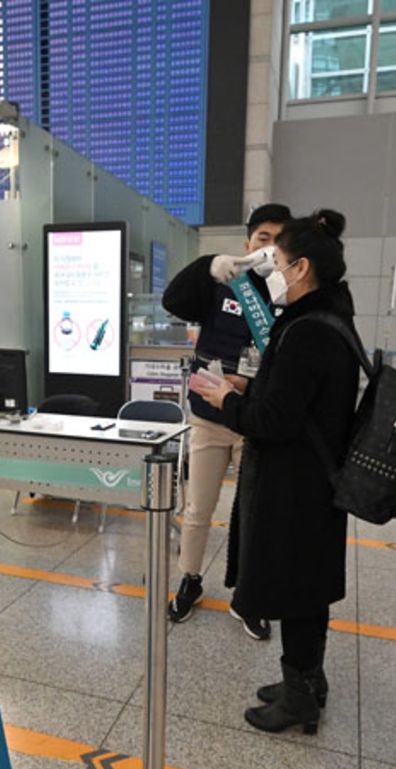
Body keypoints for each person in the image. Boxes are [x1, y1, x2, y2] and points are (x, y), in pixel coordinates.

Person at [191, 209, 359, 735]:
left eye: (279, 263)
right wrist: (251, 388)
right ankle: (306, 681)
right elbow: (299, 402)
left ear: (302, 267)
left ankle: (300, 698)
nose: (272, 273)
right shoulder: (331, 318)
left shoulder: (307, 331)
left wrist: (225, 397)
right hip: (313, 481)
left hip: (294, 488)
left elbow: (273, 422)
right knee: (306, 590)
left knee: (294, 590)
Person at [161, 203, 292, 639]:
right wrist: (208, 266)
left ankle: (247, 597)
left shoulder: (288, 295)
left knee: (254, 514)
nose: (269, 248)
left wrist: (251, 387)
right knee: (198, 508)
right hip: (210, 418)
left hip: (257, 421)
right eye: (262, 238)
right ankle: (190, 579)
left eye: (278, 241)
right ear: (247, 244)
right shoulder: (223, 285)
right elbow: (173, 300)